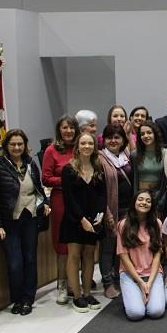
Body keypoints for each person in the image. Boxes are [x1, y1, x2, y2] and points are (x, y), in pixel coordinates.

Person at [0, 129, 48, 315]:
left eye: (20, 144)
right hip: (8, 221)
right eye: (13, 144)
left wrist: (45, 203)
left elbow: (39, 189)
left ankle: (28, 299)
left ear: (25, 145)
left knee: (30, 259)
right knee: (15, 262)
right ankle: (17, 299)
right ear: (6, 146)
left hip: (30, 218)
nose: (17, 147)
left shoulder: (30, 163)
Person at [60, 132, 107, 313]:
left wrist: (99, 215)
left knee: (89, 255)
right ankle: (77, 296)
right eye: (83, 143)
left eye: (90, 143)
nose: (87, 146)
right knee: (74, 255)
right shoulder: (69, 169)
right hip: (74, 219)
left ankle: (87, 293)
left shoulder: (98, 168)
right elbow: (69, 199)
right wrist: (82, 219)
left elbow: (102, 195)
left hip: (93, 219)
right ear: (77, 146)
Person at [41, 115, 79, 305]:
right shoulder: (51, 150)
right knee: (63, 244)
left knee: (77, 242)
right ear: (59, 130)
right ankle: (62, 284)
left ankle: (74, 282)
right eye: (65, 127)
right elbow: (46, 178)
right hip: (60, 200)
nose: (69, 131)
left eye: (72, 128)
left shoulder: (81, 148)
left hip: (80, 200)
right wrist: (67, 181)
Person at [117, 190, 165, 321]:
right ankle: (133, 294)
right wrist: (140, 282)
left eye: (148, 201)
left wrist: (148, 283)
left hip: (152, 274)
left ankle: (141, 295)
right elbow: (123, 256)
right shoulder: (123, 224)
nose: (144, 202)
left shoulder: (157, 224)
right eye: (141, 199)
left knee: (156, 311)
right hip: (130, 275)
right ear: (134, 202)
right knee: (136, 314)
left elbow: (157, 256)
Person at [99, 124, 133, 299]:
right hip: (110, 209)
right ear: (104, 139)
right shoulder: (100, 158)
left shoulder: (126, 155)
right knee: (108, 247)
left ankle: (119, 276)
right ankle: (107, 283)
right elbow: (99, 190)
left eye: (117, 137)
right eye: (110, 137)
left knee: (123, 246)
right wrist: (106, 212)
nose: (113, 141)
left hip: (128, 209)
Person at [132, 120, 166, 205]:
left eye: (149, 132)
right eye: (142, 134)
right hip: (140, 197)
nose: (146, 136)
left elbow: (166, 181)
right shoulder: (135, 154)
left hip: (158, 196)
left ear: (155, 133)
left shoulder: (165, 153)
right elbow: (133, 179)